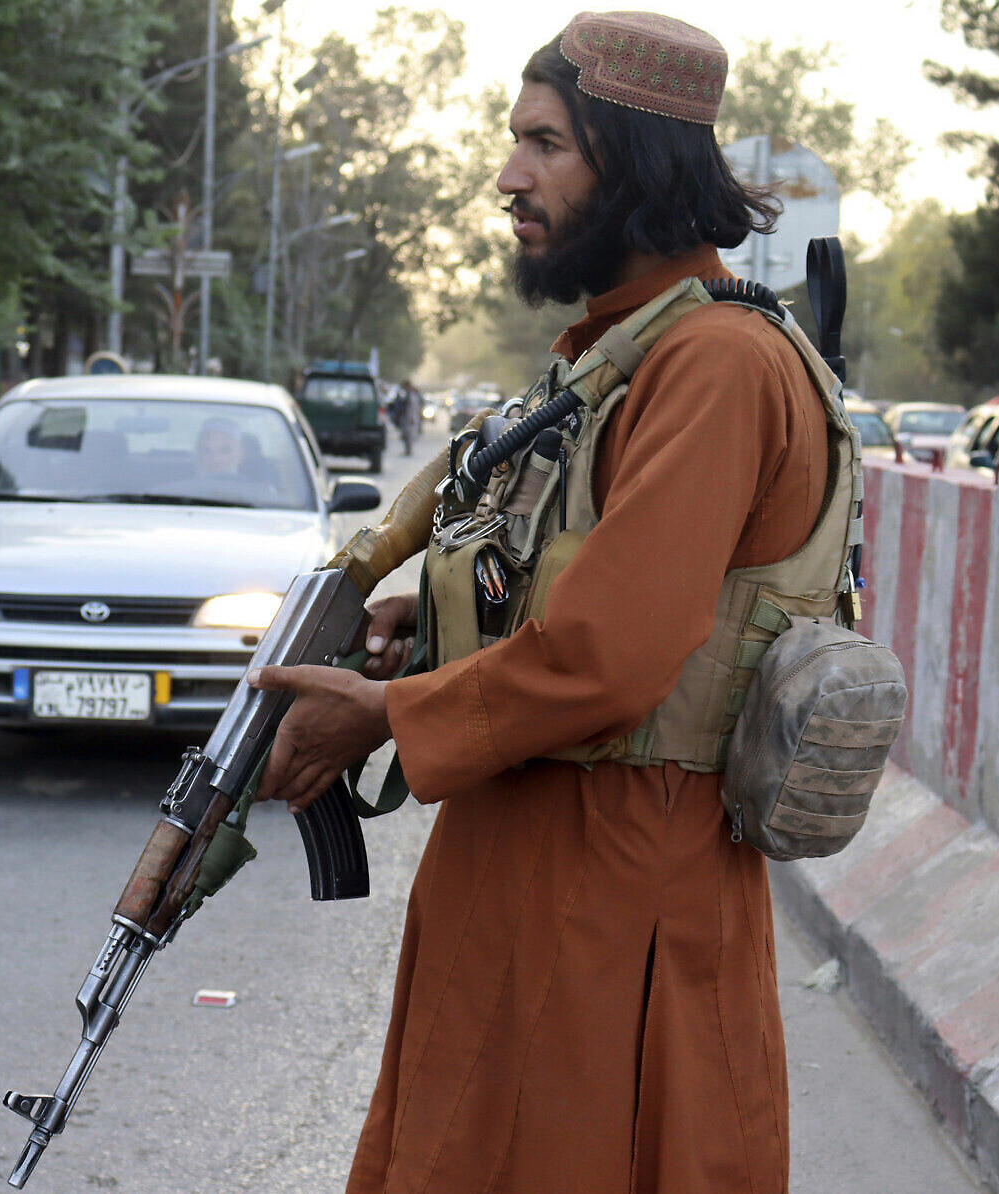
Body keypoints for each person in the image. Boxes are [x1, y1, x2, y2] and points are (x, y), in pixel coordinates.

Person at [248, 12, 836, 1193]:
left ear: (634, 162)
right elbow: (572, 576)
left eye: (545, 143)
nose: (509, 175)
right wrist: (436, 621)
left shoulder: (713, 364)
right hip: (529, 872)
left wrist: (379, 719)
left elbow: (610, 655)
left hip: (615, 894)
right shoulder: (612, 354)